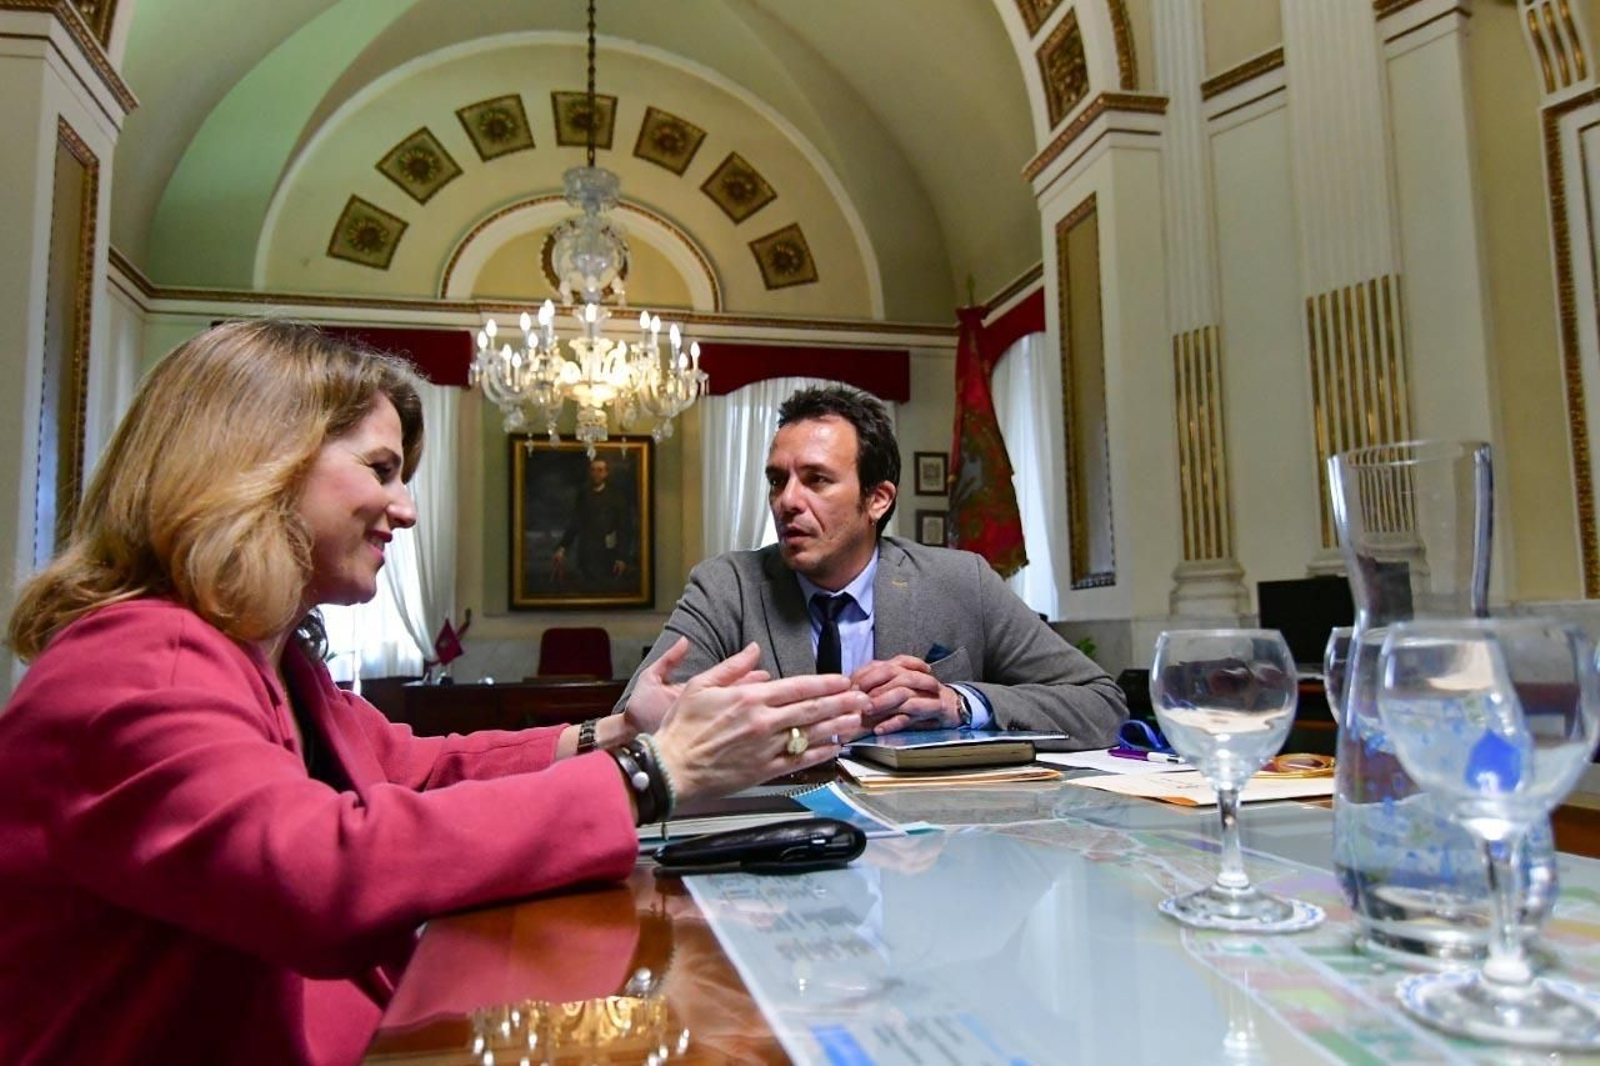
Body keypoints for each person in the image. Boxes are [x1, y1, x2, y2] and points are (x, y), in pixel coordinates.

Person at [0, 321, 868, 1065]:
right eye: (380, 469)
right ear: (261, 464)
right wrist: (651, 774)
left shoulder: (259, 657)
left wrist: (615, 732)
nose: (404, 507)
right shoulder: (140, 664)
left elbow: (414, 770)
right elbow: (321, 875)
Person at [618, 384, 1127, 743]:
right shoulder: (726, 587)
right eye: (777, 480)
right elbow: (634, 720)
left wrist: (960, 704)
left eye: (816, 480)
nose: (786, 501)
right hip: (779, 848)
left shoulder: (960, 581)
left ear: (878, 499)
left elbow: (1100, 703)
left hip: (925, 858)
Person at [551, 454, 634, 589]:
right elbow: (575, 523)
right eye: (593, 470)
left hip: (609, 555)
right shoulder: (583, 495)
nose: (596, 474)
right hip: (587, 553)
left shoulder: (616, 497)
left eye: (600, 470)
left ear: (606, 473)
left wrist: (622, 557)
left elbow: (625, 529)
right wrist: (562, 547)